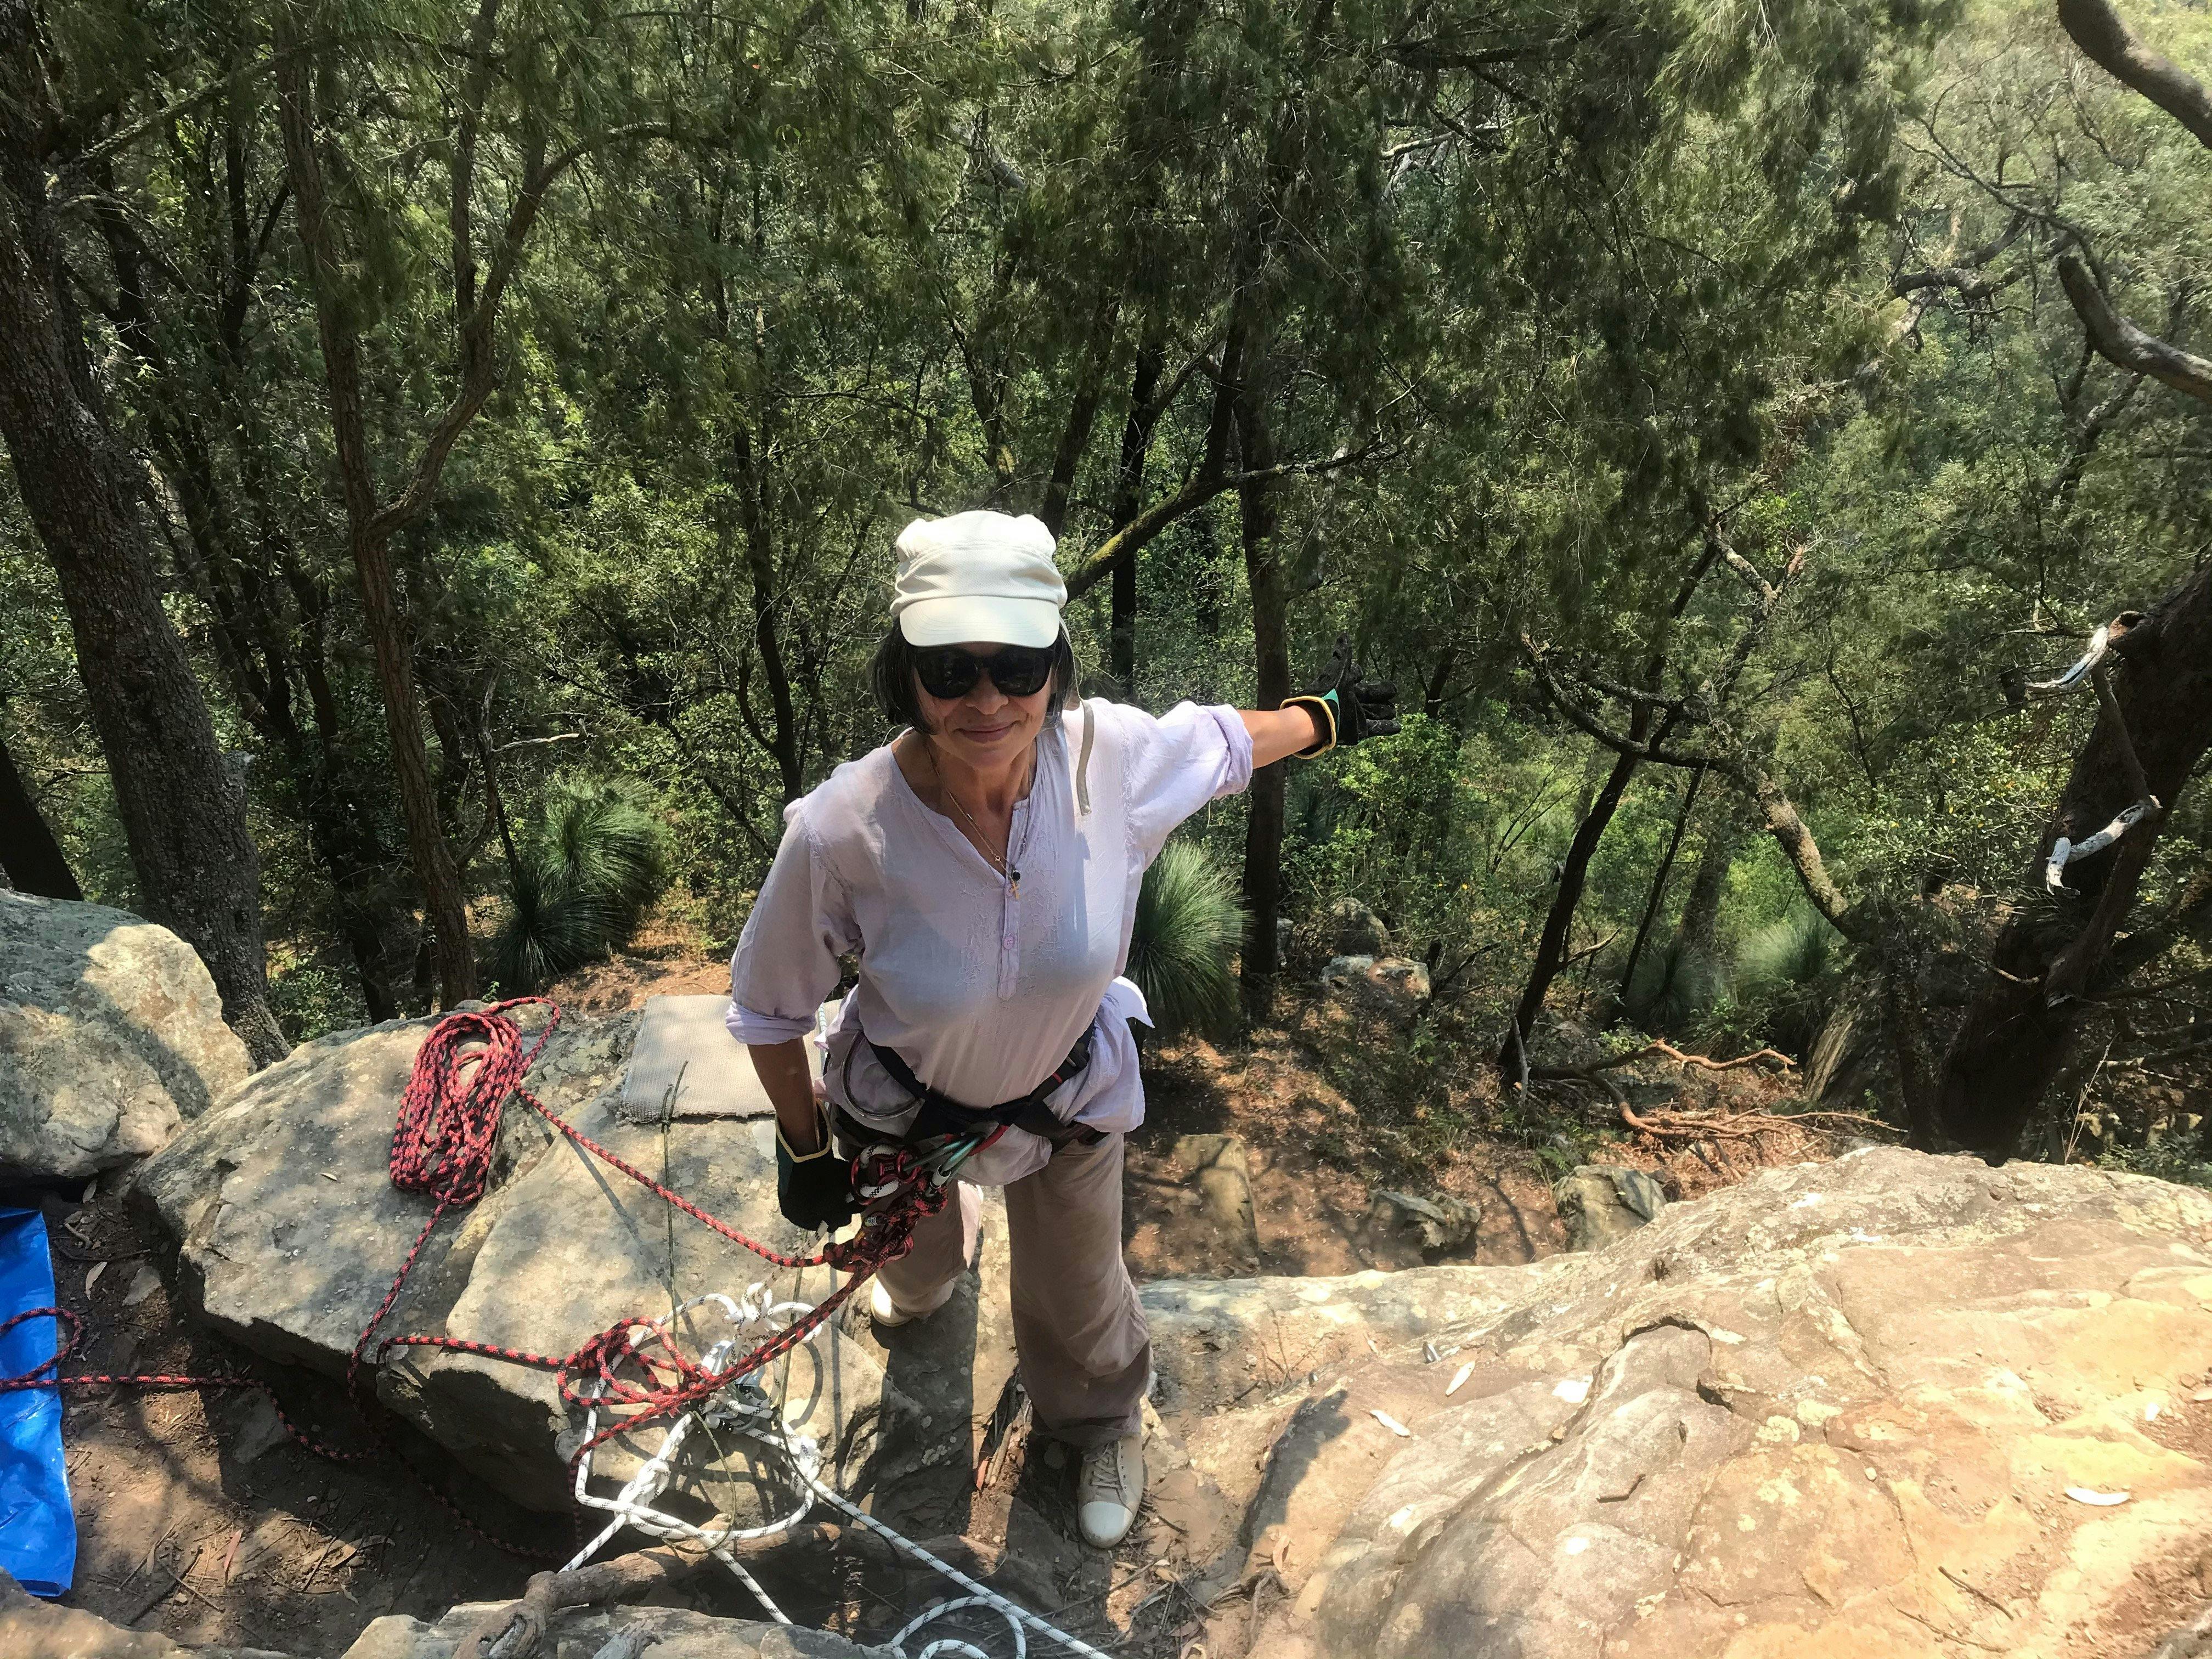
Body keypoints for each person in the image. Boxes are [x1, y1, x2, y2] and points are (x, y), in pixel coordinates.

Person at [727, 510, 1396, 1550]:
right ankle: (930, 1266)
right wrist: (807, 1144)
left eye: (1018, 667)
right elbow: (771, 1006)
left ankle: (1098, 1422)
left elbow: (1224, 743)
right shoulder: (842, 829)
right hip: (904, 1113)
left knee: (1079, 1298)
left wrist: (1323, 717)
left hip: (1067, 1094)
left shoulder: (1108, 761)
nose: (987, 700)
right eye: (950, 670)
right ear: (906, 676)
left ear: (1055, 667)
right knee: (916, 1276)